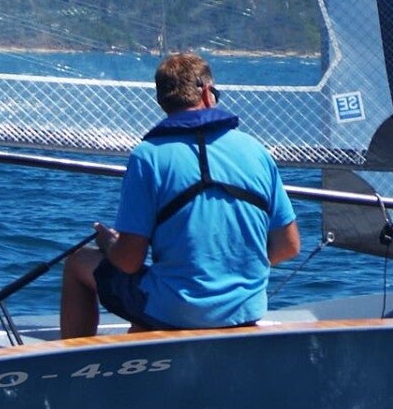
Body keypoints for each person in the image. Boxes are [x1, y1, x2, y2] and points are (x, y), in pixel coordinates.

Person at [60, 52, 299, 338]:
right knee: (147, 309)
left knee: (77, 262)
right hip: (244, 310)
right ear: (208, 93)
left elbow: (128, 261)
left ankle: (77, 360)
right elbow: (289, 245)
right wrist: (229, 269)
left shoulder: (148, 156)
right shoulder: (256, 150)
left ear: (162, 101)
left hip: (175, 311)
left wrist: (110, 243)